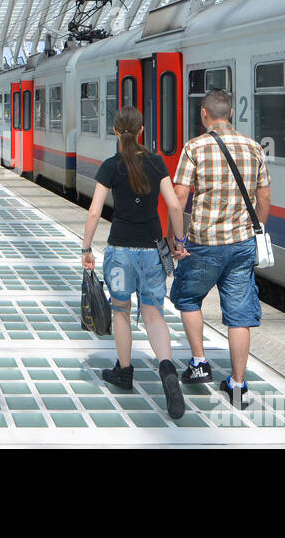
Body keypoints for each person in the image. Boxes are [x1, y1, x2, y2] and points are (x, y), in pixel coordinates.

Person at [81, 107, 188, 419]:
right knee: (154, 315)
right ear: (142, 131)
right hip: (153, 250)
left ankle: (124, 372)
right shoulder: (156, 162)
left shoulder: (111, 166)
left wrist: (86, 248)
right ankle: (167, 371)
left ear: (115, 132)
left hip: (120, 252)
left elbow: (93, 212)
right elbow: (174, 207)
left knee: (121, 312)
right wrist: (178, 243)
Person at [169, 89, 272, 407]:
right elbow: (264, 197)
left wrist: (177, 239)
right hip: (241, 244)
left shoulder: (194, 147)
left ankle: (199, 364)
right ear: (231, 114)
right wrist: (257, 230)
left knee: (187, 297)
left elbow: (180, 197)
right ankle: (238, 386)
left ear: (203, 114)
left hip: (203, 243)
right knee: (239, 315)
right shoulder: (253, 147)